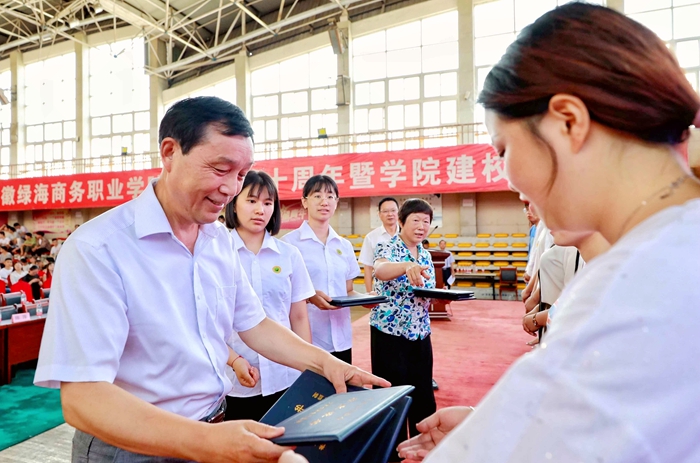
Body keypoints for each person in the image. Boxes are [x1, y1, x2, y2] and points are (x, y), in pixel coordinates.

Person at [398, 4, 700, 462]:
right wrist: (497, 425)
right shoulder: (674, 244)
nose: (510, 178)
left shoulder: (628, 287)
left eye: (504, 149)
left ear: (568, 122)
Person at [34, 97, 388, 463]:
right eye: (221, 169)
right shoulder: (99, 249)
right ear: (170, 153)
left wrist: (325, 363)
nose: (232, 188)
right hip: (131, 447)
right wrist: (206, 441)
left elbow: (256, 324)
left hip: (210, 431)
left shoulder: (218, 241)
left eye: (241, 174)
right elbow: (83, 399)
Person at [223, 170, 315, 421]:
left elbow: (298, 317)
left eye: (267, 203)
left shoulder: (289, 255)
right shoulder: (217, 254)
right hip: (233, 379)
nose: (260, 210)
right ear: (233, 203)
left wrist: (307, 366)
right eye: (251, 201)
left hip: (285, 374)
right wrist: (233, 360)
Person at [372, 198, 437, 459]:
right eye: (416, 220)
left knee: (423, 395)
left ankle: (422, 449)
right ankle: (393, 452)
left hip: (420, 333)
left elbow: (427, 291)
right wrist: (405, 267)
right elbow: (380, 270)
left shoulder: (426, 254)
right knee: (393, 395)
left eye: (426, 221)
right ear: (401, 222)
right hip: (390, 334)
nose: (422, 226)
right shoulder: (386, 247)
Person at [282, 175, 364, 364]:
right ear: (304, 201)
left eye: (330, 196)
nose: (324, 202)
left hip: (342, 338)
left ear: (336, 202)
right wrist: (310, 297)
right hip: (307, 339)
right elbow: (284, 294)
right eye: (317, 196)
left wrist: (367, 299)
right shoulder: (289, 244)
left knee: (342, 391)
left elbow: (348, 290)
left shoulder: (344, 245)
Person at [358, 197, 400, 292]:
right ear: (379, 214)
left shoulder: (406, 234)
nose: (390, 214)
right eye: (385, 211)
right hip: (381, 291)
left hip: (405, 292)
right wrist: (369, 293)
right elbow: (368, 268)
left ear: (398, 213)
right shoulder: (371, 237)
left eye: (393, 210)